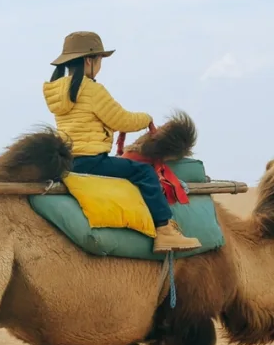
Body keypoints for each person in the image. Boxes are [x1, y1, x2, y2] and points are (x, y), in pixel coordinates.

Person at [43, 31, 200, 254]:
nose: (99, 66)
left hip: (67, 161)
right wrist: (146, 119)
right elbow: (120, 119)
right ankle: (165, 230)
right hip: (91, 161)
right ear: (89, 60)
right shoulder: (91, 89)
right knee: (145, 173)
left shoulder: (60, 93)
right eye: (99, 60)